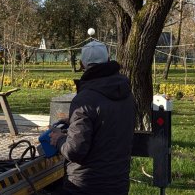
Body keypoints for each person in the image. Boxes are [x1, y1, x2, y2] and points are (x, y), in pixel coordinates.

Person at [49, 41, 135, 194]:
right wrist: (76, 122)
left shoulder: (85, 99)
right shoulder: (126, 94)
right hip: (118, 182)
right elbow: (110, 122)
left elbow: (75, 151)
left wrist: (59, 140)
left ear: (82, 64)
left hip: (87, 185)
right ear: (109, 59)